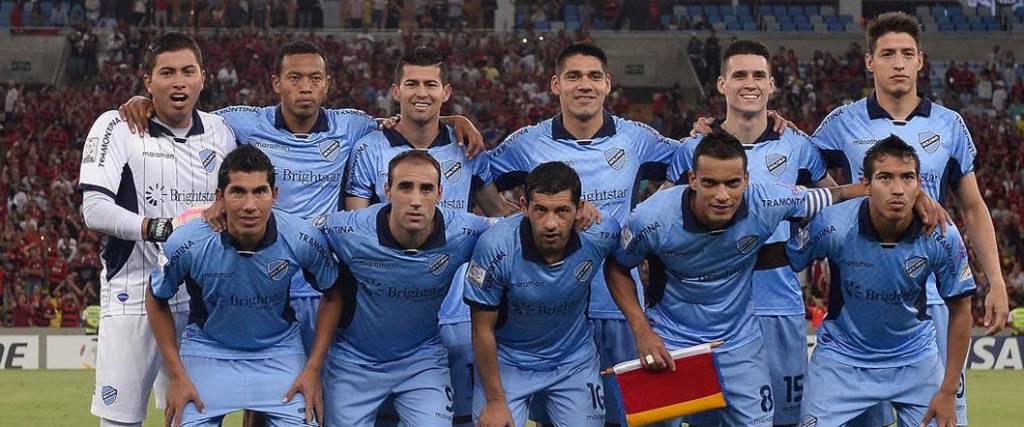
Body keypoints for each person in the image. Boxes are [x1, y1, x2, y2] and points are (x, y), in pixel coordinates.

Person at [117, 40, 484, 356]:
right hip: (264, 272)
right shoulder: (244, 122)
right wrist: (145, 101)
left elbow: (413, 116)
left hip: (322, 276)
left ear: (326, 85)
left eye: (314, 78)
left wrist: (455, 120)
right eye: (294, 78)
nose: (304, 87)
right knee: (262, 376)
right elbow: (186, 112)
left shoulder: (352, 124)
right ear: (277, 83)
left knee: (317, 380)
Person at [604, 131, 895, 426]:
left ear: (746, 179)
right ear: (692, 179)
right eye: (710, 183)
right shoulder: (653, 218)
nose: (722, 195)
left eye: (732, 183)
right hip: (671, 341)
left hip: (739, 343)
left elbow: (838, 194)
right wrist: (642, 331)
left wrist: (915, 197)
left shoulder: (768, 200)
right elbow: (616, 266)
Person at [810, 12, 1008, 425]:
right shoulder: (841, 123)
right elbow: (804, 176)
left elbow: (972, 207)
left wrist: (996, 281)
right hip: (864, 302)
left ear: (921, 61)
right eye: (887, 54)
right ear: (870, 62)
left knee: (944, 414)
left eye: (906, 54)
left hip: (935, 296)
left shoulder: (949, 125)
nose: (897, 63)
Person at [487, 42, 679, 426]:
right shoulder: (527, 143)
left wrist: (645, 216)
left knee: (632, 415)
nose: (584, 85)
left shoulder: (636, 137)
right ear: (556, 85)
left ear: (608, 84)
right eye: (573, 76)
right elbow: (476, 173)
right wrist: (511, 217)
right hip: (553, 311)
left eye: (593, 76)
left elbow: (688, 162)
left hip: (617, 305)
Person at [663, 39, 835, 426]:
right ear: (722, 84)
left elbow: (833, 209)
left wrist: (803, 251)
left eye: (759, 75)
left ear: (771, 85)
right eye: (739, 74)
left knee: (784, 420)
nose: (750, 83)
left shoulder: (797, 146)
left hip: (778, 306)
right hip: (705, 314)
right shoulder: (692, 148)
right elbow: (660, 221)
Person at [343, 46, 508, 427]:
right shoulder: (369, 147)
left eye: (431, 84)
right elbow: (355, 229)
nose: (422, 92)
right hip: (384, 316)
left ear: (445, 92)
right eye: (412, 83)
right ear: (395, 91)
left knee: (458, 418)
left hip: (455, 312)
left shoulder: (468, 149)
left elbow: (499, 216)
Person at [79, 32, 237, 427]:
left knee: (193, 418)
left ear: (203, 77)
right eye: (166, 73)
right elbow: (94, 210)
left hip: (201, 297)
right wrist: (163, 228)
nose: (178, 81)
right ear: (147, 81)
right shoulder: (118, 126)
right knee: (120, 422)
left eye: (188, 71)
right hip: (134, 291)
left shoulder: (221, 131)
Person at [780, 135, 975, 427]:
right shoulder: (833, 225)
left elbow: (961, 310)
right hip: (842, 359)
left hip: (915, 359)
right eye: (885, 178)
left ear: (919, 184)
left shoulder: (941, 235)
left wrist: (948, 390)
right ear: (866, 184)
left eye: (907, 177)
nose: (897, 189)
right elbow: (786, 258)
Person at [147, 145, 339, 426]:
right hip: (207, 351)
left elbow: (333, 293)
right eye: (238, 192)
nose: (250, 205)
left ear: (274, 195)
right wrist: (177, 375)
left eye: (259, 191)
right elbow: (155, 298)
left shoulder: (302, 237)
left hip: (279, 352)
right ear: (220, 197)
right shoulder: (187, 241)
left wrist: (313, 369)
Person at [303, 150, 491, 426]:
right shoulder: (348, 230)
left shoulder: (466, 231)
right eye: (405, 187)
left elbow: (513, 231)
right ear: (387, 191)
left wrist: (579, 218)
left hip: (422, 359)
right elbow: (294, 235)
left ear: (440, 193)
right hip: (353, 363)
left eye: (426, 189)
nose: (416, 200)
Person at [465, 161, 620, 426]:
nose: (551, 223)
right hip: (508, 363)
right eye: (540, 210)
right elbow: (481, 330)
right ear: (524, 206)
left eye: (562, 211)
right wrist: (494, 401)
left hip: (573, 360)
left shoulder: (603, 233)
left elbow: (623, 266)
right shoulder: (494, 247)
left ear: (580, 208)